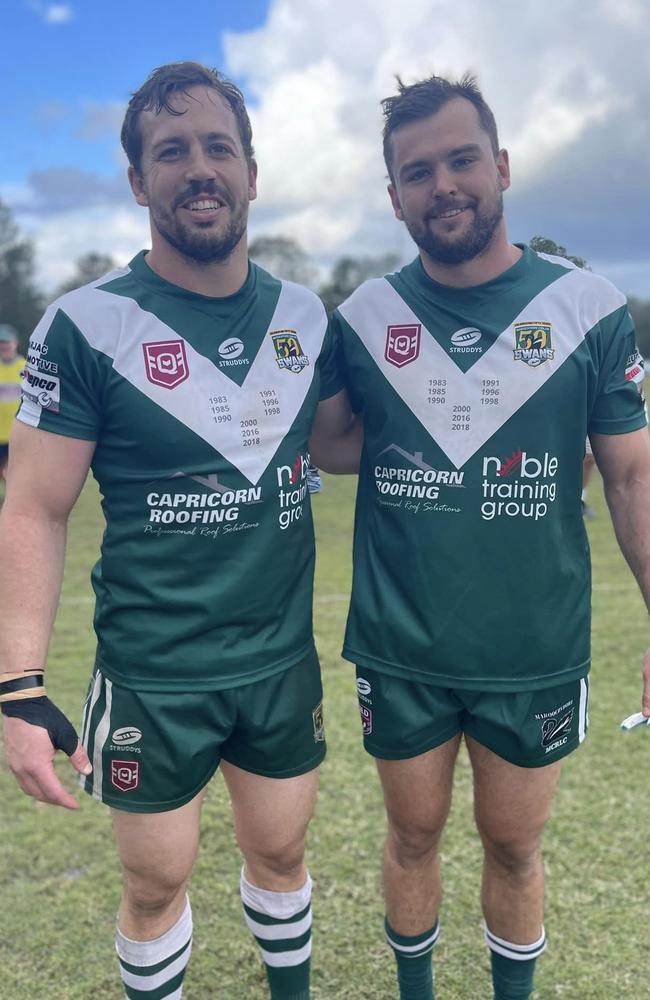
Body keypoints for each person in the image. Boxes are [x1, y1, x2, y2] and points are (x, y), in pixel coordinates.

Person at [0, 61, 357, 1000]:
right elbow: (35, 506)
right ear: (136, 181)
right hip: (155, 672)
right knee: (155, 884)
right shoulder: (86, 325)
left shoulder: (302, 317)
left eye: (217, 148)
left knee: (281, 852)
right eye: (171, 151)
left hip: (281, 662)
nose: (198, 169)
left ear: (251, 171)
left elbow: (345, 441)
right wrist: (17, 685)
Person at [329, 73, 650, 1000]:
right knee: (413, 836)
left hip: (534, 646)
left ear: (502, 166)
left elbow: (630, 474)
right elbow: (337, 442)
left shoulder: (587, 308)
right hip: (402, 647)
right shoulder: (364, 318)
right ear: (395, 198)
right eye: (418, 171)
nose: (445, 185)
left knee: (514, 847)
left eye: (462, 159)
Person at [0, 323, 25, 482]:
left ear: (15, 343)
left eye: (7, 342)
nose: (4, 346)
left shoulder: (26, 368)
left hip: (19, 435)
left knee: (16, 475)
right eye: (1, 343)